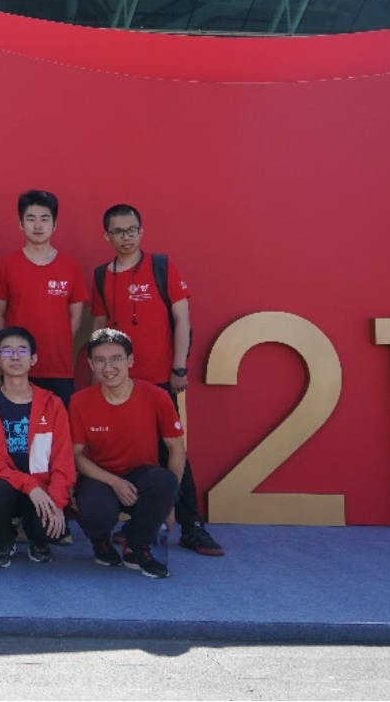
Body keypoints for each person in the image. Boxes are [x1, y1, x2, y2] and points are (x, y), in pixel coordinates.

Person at [89, 203, 223, 558]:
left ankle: (192, 526)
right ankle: (137, 525)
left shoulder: (162, 267)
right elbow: (99, 327)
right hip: (116, 381)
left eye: (132, 230)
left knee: (172, 451)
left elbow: (182, 319)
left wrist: (178, 368)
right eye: (118, 231)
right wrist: (94, 376)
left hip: (159, 380)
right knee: (124, 451)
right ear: (107, 235)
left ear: (141, 231)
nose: (126, 237)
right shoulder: (102, 275)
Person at [70, 328, 183, 579]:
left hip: (143, 475)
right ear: (91, 364)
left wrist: (170, 503)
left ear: (130, 360)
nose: (108, 367)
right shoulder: (79, 401)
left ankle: (137, 545)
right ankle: (101, 540)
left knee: (166, 481)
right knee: (95, 510)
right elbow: (76, 456)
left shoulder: (157, 396)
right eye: (100, 360)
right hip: (100, 476)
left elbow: (176, 449)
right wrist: (114, 482)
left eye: (116, 359)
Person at [0, 326, 76, 568]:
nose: (15, 357)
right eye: (7, 351)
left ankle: (36, 536)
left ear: (34, 359)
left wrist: (57, 503)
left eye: (22, 351)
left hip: (44, 490)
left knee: (51, 531)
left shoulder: (53, 404)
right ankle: (4, 538)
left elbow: (63, 460)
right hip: (8, 488)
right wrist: (31, 487)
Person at [0, 190, 87, 404]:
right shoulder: (7, 265)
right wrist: (9, 352)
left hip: (59, 368)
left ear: (54, 224)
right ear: (21, 224)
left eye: (44, 219)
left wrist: (58, 342)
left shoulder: (70, 267)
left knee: (59, 422)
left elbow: (76, 317)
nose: (37, 226)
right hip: (18, 368)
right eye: (30, 219)